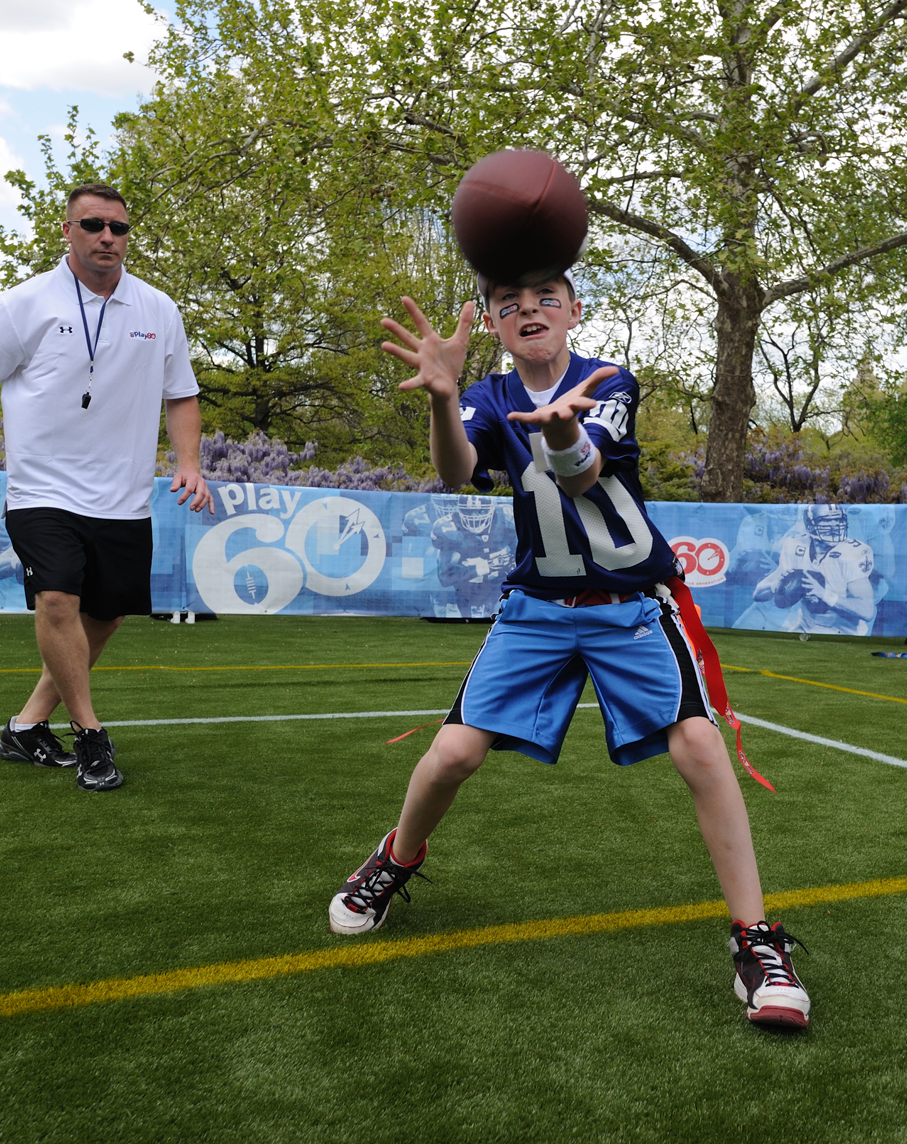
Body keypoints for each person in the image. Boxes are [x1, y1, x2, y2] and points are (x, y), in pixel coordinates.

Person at [329, 271, 811, 1029]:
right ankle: (396, 856)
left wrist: (558, 427)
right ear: (490, 321)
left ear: (576, 311)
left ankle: (756, 940)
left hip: (629, 609)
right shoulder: (486, 396)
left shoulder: (608, 379)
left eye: (546, 298)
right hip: (538, 612)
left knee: (699, 746)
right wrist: (442, 398)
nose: (530, 311)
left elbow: (585, 470)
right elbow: (457, 472)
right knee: (453, 754)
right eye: (510, 303)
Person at [0, 182, 215, 792]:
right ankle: (90, 735)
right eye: (92, 225)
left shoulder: (159, 309)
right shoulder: (21, 305)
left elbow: (182, 394)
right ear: (67, 232)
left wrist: (188, 459)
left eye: (118, 227)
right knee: (57, 601)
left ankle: (28, 725)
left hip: (123, 495)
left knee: (105, 616)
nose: (107, 237)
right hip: (41, 490)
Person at [751, 504, 878, 635]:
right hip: (804, 626)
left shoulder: (852, 553)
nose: (834, 526)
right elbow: (757, 594)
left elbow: (867, 611)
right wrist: (776, 585)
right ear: (811, 524)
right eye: (827, 521)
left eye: (838, 520)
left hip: (842, 632)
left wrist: (823, 594)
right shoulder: (796, 545)